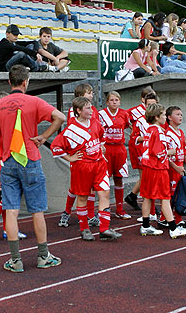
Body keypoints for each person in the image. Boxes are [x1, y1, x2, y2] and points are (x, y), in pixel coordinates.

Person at [0, 65, 65, 272]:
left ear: (9, 82)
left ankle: (15, 260)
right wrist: (44, 136)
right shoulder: (34, 101)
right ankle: (43, 256)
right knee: (37, 210)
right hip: (30, 158)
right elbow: (60, 117)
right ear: (26, 82)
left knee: (11, 210)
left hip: (8, 161)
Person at [51, 97, 121, 241]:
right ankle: (84, 229)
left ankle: (104, 229)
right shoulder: (71, 129)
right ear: (78, 110)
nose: (91, 110)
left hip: (100, 164)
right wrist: (70, 158)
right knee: (82, 196)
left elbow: (101, 137)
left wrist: (101, 148)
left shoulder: (95, 122)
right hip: (82, 167)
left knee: (105, 193)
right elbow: (55, 147)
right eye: (88, 108)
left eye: (91, 107)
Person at [136, 103, 186, 238]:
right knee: (165, 198)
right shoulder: (158, 130)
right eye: (162, 115)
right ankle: (173, 228)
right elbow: (158, 152)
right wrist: (169, 152)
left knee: (148, 197)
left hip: (148, 167)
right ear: (156, 117)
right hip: (157, 168)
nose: (164, 118)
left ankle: (145, 225)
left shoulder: (149, 130)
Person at [0, 91, 27, 242]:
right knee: (1, 198)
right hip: (0, 162)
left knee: (10, 199)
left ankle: (8, 229)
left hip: (11, 160)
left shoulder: (13, 120)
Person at [59, 83, 99, 228]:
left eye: (92, 92)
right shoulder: (73, 112)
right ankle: (67, 212)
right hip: (80, 154)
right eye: (89, 92)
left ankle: (90, 215)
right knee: (75, 187)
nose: (92, 95)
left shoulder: (93, 110)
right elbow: (73, 132)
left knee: (92, 186)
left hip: (91, 155)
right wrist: (71, 155)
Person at [124, 88, 159, 218]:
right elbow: (123, 117)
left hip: (153, 149)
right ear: (142, 100)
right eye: (147, 102)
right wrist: (131, 128)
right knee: (146, 176)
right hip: (140, 148)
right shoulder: (136, 112)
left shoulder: (158, 114)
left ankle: (133, 196)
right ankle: (149, 207)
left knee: (148, 177)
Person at [158, 106, 186, 230]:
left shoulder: (180, 132)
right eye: (177, 114)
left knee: (179, 193)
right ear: (169, 117)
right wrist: (175, 167)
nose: (180, 117)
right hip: (171, 169)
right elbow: (164, 154)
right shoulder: (167, 134)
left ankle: (167, 218)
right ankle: (172, 219)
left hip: (180, 167)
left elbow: (183, 151)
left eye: (181, 114)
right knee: (172, 195)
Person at [99, 91, 132, 219]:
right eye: (111, 100)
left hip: (120, 149)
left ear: (120, 101)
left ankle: (120, 209)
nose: (114, 102)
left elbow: (131, 127)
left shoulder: (124, 114)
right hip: (106, 149)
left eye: (116, 100)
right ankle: (104, 209)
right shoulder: (101, 114)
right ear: (107, 102)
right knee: (104, 180)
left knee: (119, 178)